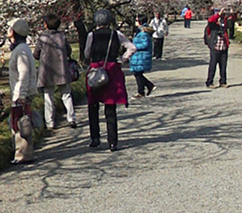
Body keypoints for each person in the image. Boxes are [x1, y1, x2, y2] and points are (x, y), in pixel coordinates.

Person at [82, 9, 135, 151]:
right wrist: (123, 59)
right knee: (110, 107)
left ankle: (95, 138)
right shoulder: (116, 34)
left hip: (95, 70)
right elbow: (132, 47)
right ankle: (113, 141)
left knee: (93, 106)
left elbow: (87, 53)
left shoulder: (91, 35)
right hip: (111, 70)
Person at [34, 13, 77, 130]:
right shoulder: (62, 37)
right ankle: (71, 118)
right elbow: (68, 51)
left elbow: (36, 54)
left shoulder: (42, 38)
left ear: (46, 25)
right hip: (62, 70)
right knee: (66, 95)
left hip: (46, 72)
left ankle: (50, 123)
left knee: (48, 97)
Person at [7, 18, 37, 164]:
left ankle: (22, 155)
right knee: (22, 122)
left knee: (20, 123)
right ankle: (24, 153)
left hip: (21, 92)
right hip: (20, 90)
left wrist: (21, 94)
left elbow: (23, 73)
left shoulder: (21, 51)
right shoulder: (22, 48)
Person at [203, 11, 229, 88]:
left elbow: (230, 23)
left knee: (223, 66)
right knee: (213, 65)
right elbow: (211, 20)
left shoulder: (223, 24)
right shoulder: (212, 25)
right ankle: (209, 82)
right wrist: (218, 14)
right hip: (215, 47)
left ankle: (223, 81)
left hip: (223, 47)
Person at [130, 22, 156, 98]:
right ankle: (148, 86)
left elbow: (145, 44)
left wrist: (134, 46)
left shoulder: (143, 33)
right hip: (138, 56)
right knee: (137, 73)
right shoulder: (139, 31)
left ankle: (141, 91)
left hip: (141, 56)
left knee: (137, 74)